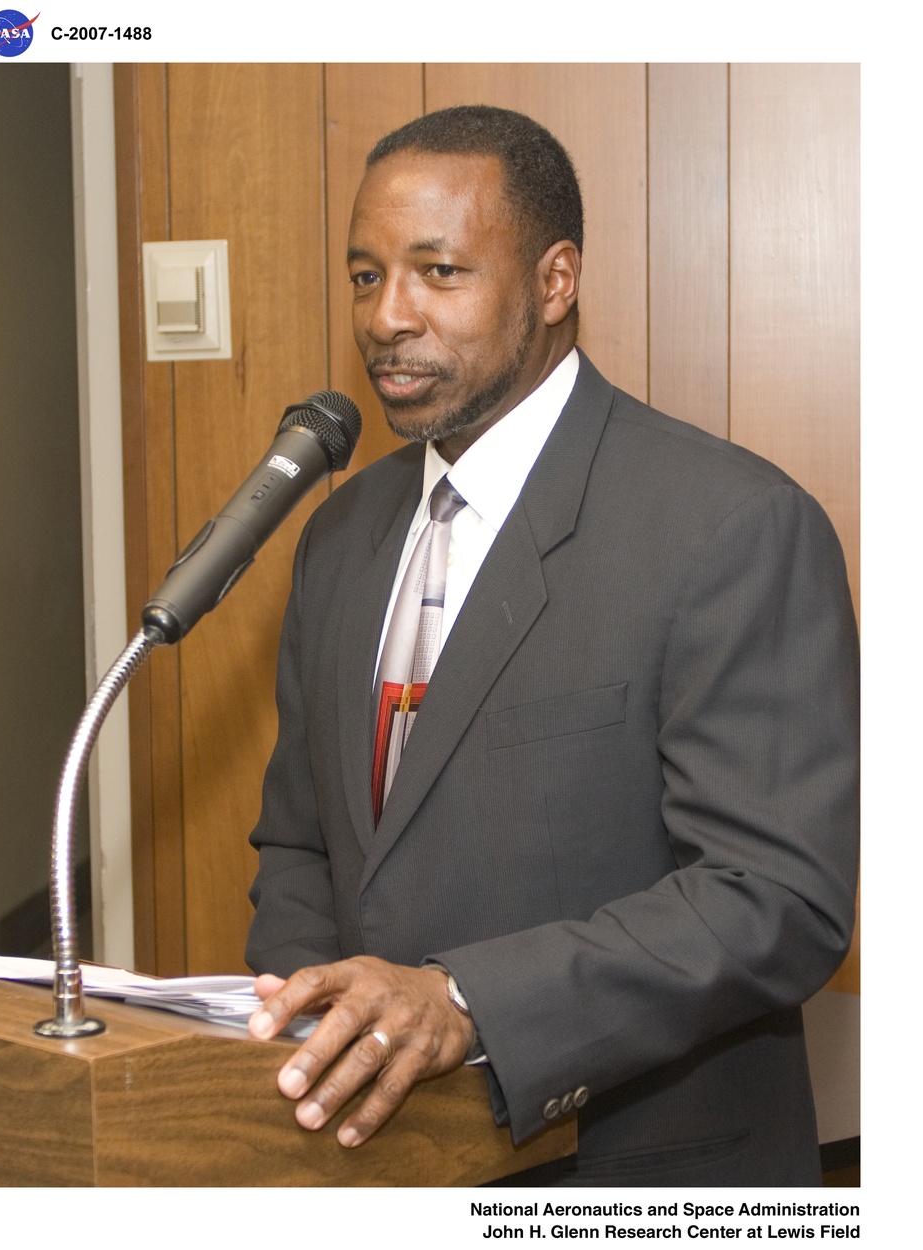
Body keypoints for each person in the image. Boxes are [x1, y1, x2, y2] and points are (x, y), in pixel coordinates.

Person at [244, 105, 859, 1187]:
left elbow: (773, 896)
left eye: (438, 272)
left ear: (554, 279)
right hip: (366, 1161)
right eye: (362, 275)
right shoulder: (339, 534)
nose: (387, 315)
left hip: (628, 1170)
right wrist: (320, 1039)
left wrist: (461, 1001)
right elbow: (302, 842)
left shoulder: (729, 525)